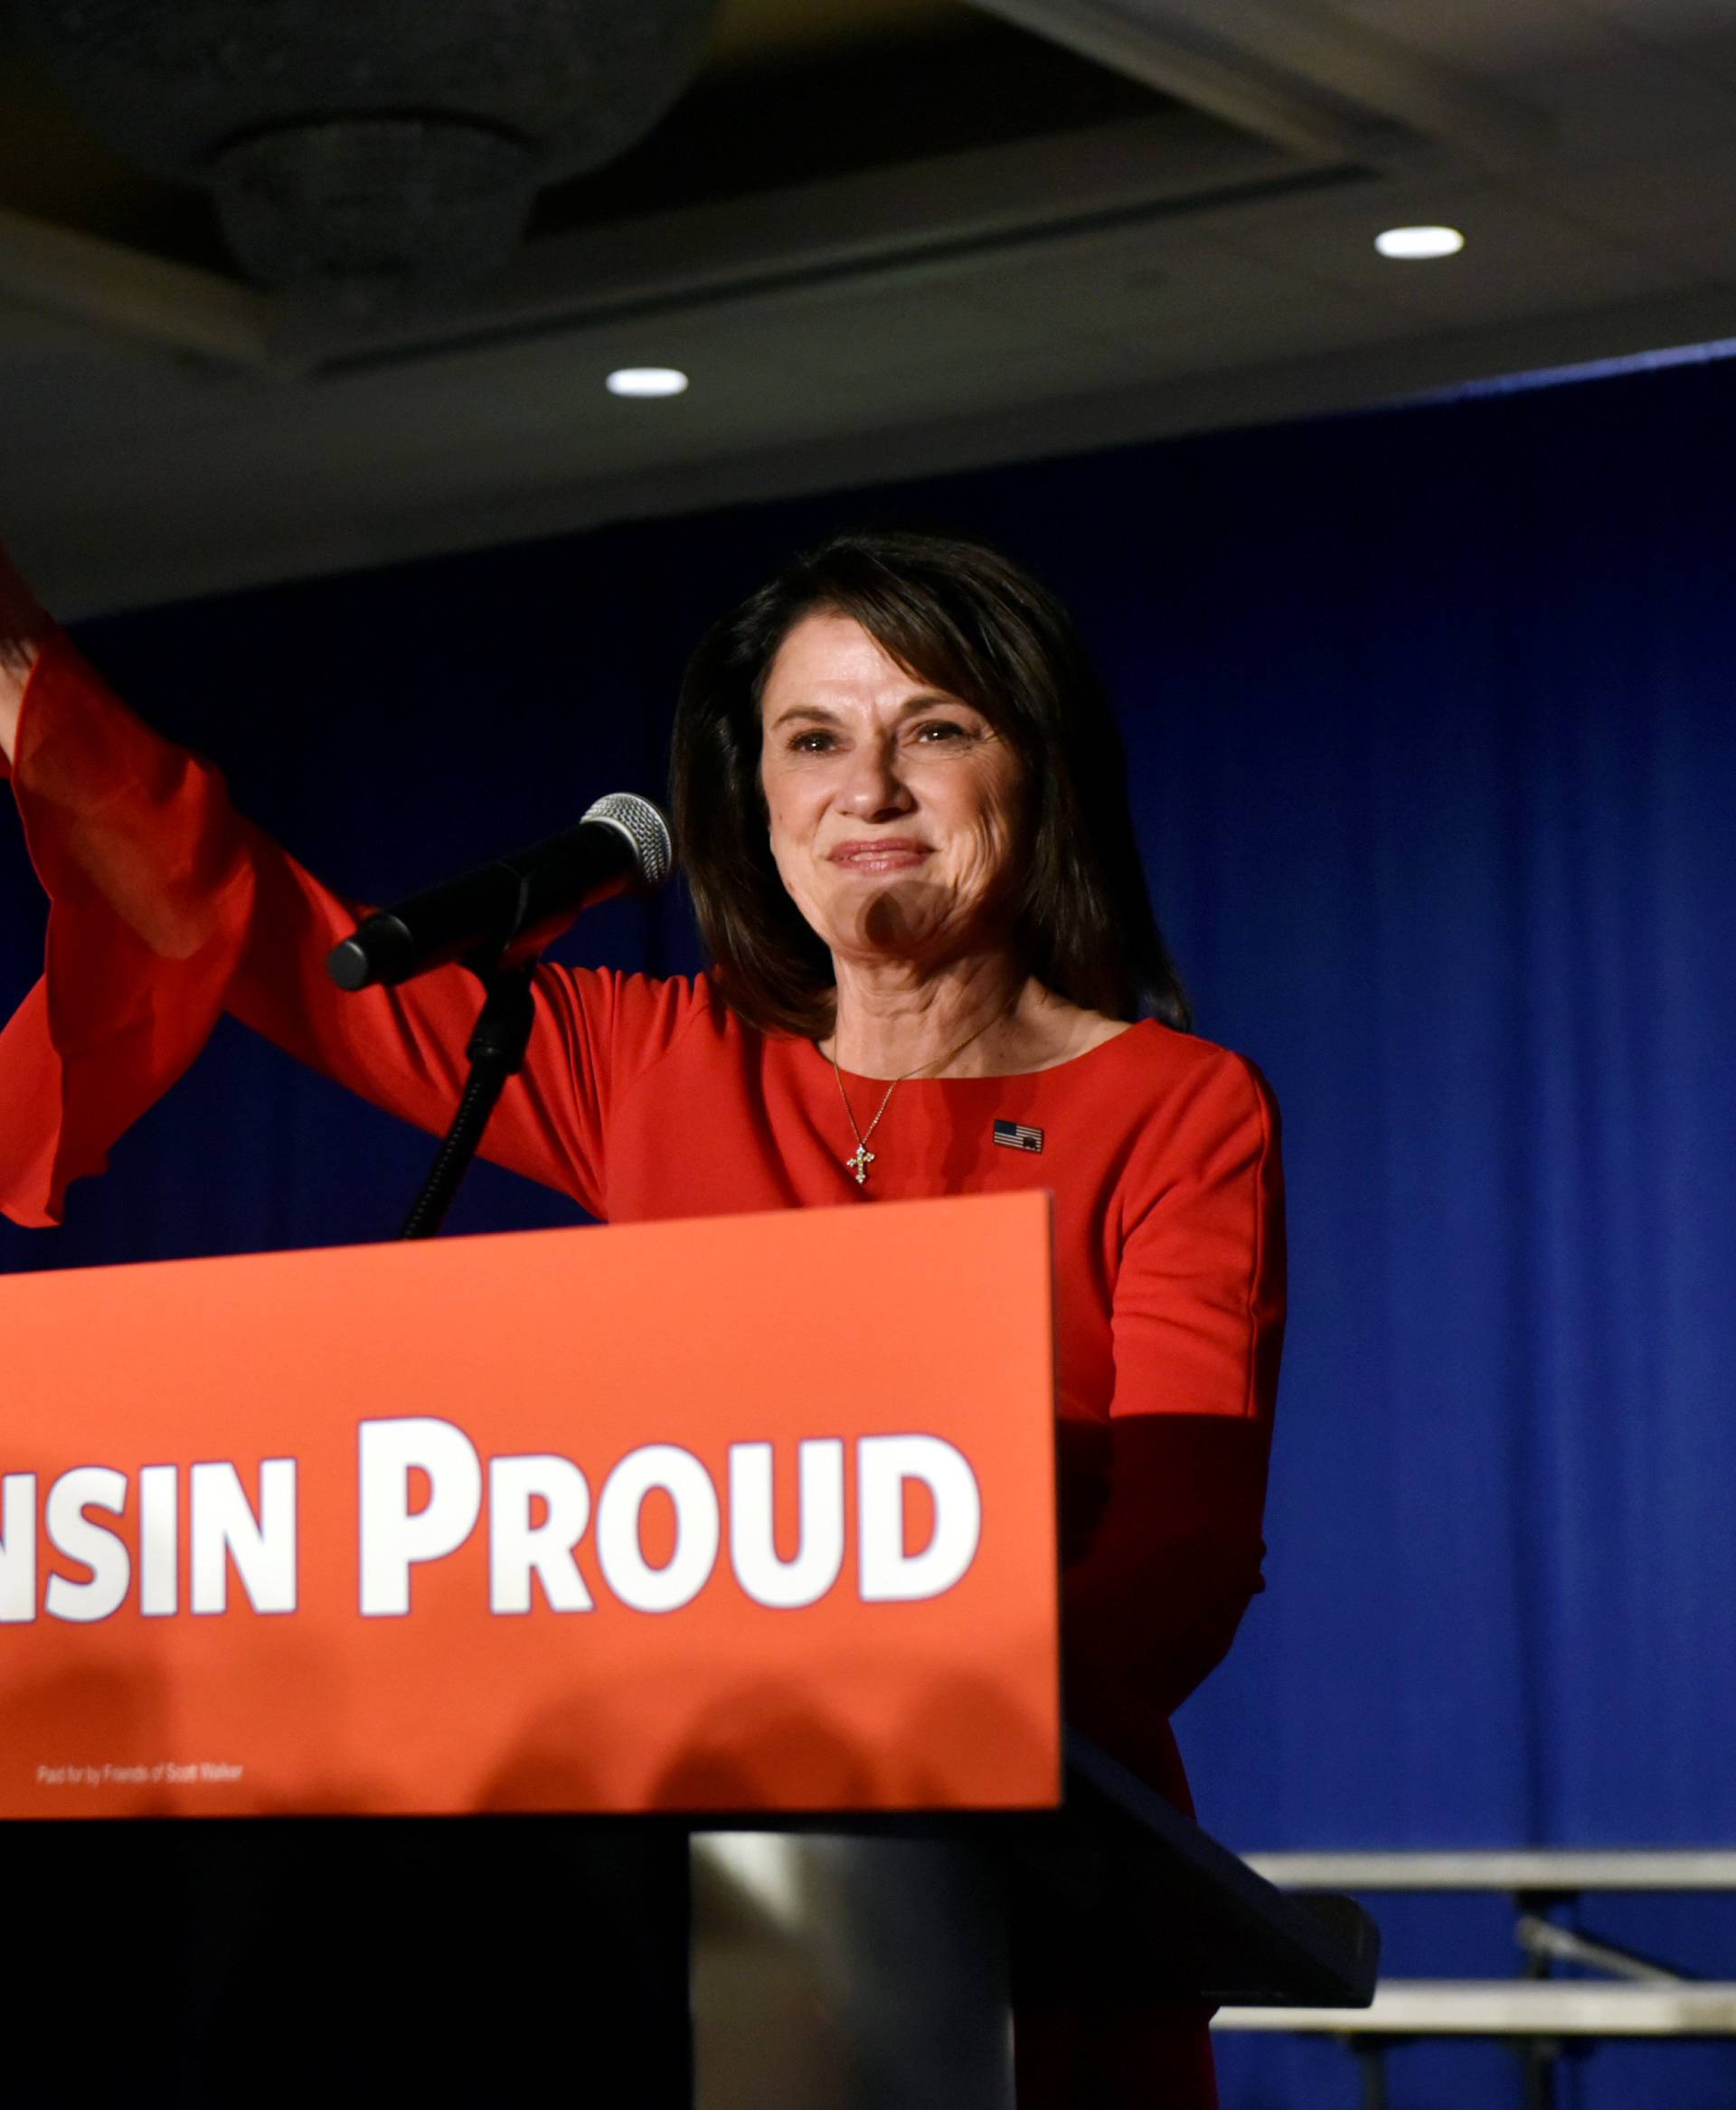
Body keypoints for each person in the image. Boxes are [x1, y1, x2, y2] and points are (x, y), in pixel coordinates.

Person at [0, 528, 1284, 2107]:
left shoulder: (1177, 1106)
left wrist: (922, 1738)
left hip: (1020, 1906)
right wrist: (25, 688)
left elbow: (1187, 1544)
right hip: (652, 1929)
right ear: (753, 797)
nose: (866, 790)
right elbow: (264, 924)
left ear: (1040, 766)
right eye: (813, 740)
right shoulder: (651, 1063)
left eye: (934, 729)